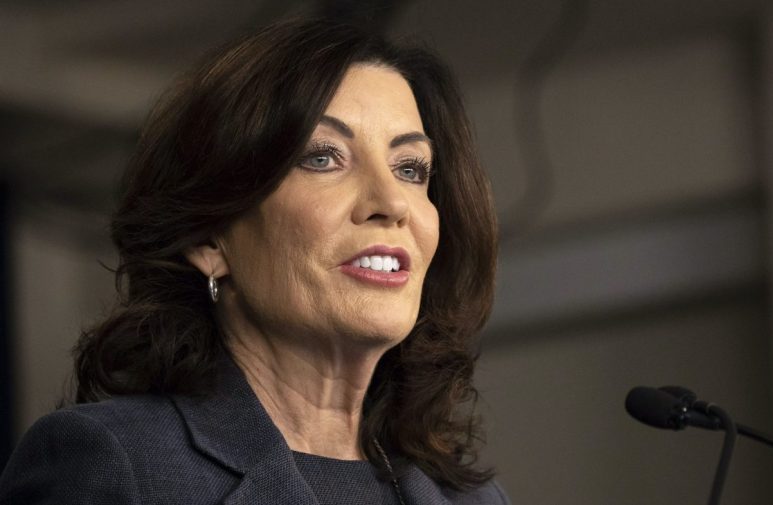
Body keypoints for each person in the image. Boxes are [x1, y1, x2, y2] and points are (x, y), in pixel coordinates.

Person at [0, 17, 507, 505]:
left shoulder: (471, 498)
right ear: (210, 238)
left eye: (411, 168)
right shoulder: (113, 464)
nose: (392, 202)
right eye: (322, 157)